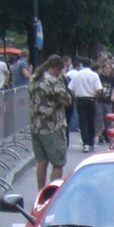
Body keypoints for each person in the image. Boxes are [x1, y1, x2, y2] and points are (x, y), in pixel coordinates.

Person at [28, 54, 72, 191]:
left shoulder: (34, 78)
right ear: (58, 68)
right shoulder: (53, 81)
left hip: (36, 125)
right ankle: (52, 194)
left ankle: (41, 191)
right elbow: (67, 100)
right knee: (58, 163)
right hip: (52, 126)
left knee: (42, 161)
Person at [68, 57, 102, 152]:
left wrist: (75, 96)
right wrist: (96, 98)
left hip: (80, 100)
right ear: (90, 64)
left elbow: (70, 88)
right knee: (91, 121)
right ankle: (91, 142)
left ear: (82, 64)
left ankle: (85, 143)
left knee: (83, 122)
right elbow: (99, 89)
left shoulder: (77, 75)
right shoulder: (94, 75)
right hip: (91, 99)